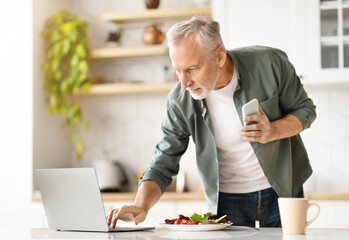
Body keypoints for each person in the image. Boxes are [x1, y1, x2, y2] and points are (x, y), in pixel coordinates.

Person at [107, 16, 316, 228]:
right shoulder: (180, 99)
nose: (184, 82)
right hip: (226, 201)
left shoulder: (270, 63)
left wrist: (273, 130)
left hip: (282, 189)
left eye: (191, 69)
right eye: (177, 70)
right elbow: (163, 162)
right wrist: (141, 206)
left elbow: (305, 110)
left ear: (219, 56)